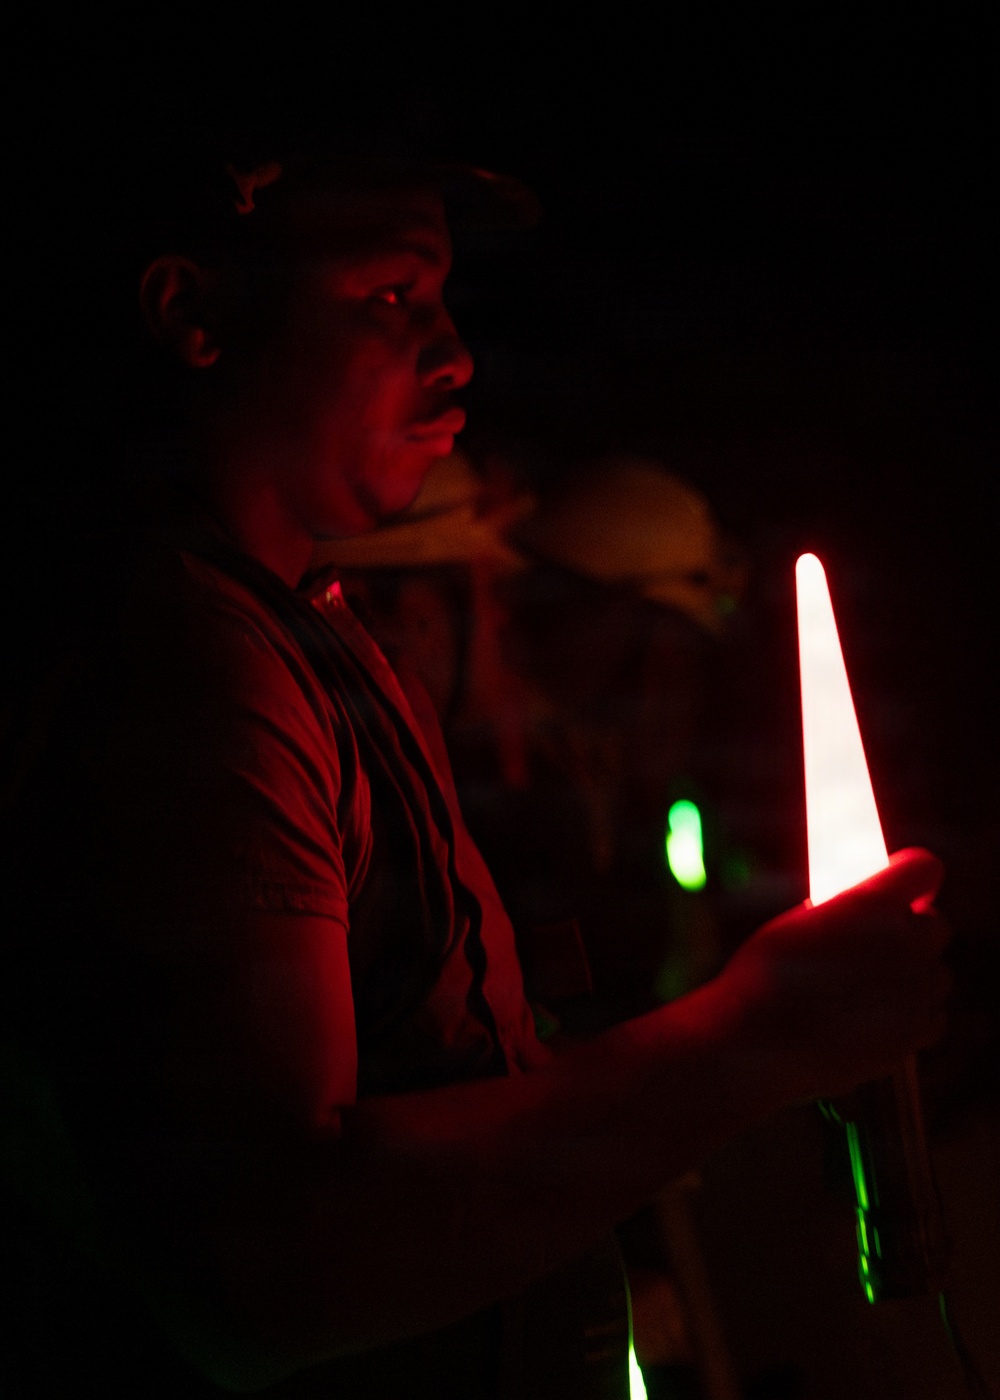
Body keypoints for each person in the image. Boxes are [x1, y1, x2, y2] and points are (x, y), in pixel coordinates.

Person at [0, 144, 952, 1399]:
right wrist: (755, 1034)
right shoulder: (187, 669)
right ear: (191, 312)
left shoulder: (303, 630)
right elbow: (268, 1257)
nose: (454, 355)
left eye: (444, 297)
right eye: (389, 295)